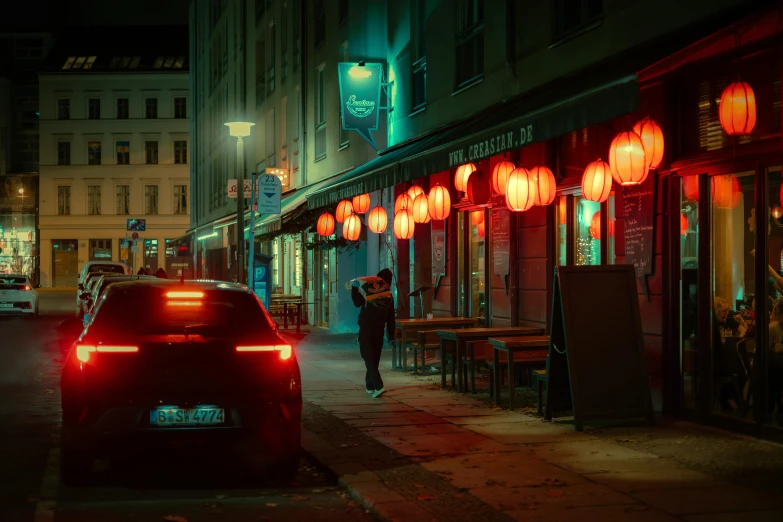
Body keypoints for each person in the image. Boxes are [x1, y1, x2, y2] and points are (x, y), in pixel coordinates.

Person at [351, 268, 395, 398]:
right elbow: (391, 318)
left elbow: (356, 303)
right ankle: (369, 386)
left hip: (366, 329)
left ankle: (378, 386)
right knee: (374, 358)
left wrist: (354, 289)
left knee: (368, 357)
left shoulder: (369, 292)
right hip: (379, 330)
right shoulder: (389, 296)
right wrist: (391, 335)